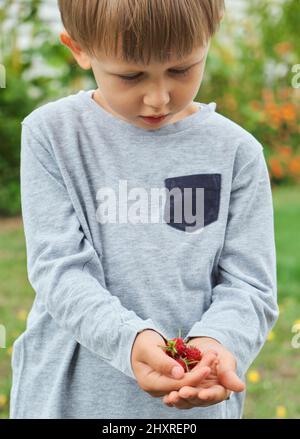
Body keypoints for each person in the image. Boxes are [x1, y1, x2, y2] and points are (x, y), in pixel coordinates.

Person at [9, 0, 279, 419]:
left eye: (181, 69)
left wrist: (213, 346)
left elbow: (250, 286)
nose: (158, 97)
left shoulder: (236, 153)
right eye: (130, 75)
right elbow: (59, 270)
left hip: (190, 408)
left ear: (211, 34)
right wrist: (131, 341)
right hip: (68, 401)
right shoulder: (51, 136)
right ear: (78, 48)